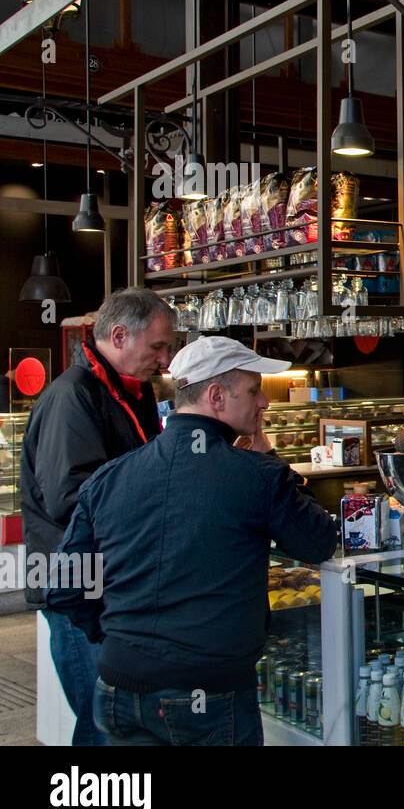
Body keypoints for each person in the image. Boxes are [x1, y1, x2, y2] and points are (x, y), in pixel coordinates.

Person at [46, 336, 338, 746]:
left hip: (119, 689)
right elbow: (318, 541)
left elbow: (64, 588)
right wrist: (269, 457)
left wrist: (121, 642)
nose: (264, 404)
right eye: (254, 391)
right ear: (216, 395)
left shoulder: (110, 477)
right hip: (208, 695)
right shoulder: (256, 475)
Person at [21, 288, 176, 745]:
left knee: (112, 720)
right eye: (157, 347)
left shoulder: (132, 391)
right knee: (103, 723)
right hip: (77, 590)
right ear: (121, 335)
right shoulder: (73, 397)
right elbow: (70, 498)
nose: (164, 359)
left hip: (111, 586)